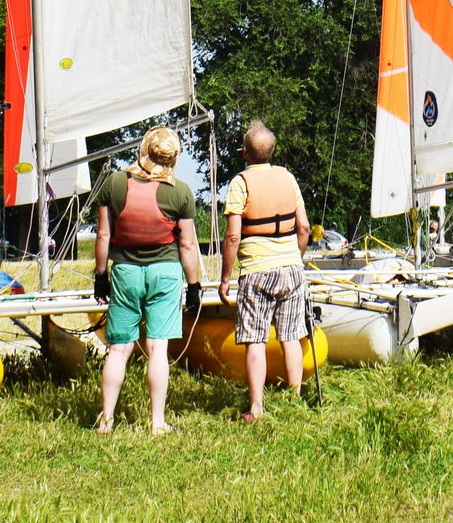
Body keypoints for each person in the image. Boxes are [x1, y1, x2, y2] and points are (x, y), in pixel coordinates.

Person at [91, 125, 203, 433]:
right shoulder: (180, 192)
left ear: (145, 149)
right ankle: (157, 421)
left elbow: (104, 233)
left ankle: (107, 420)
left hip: (125, 271)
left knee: (119, 348)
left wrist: (101, 276)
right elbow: (187, 244)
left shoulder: (114, 183)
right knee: (157, 347)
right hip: (165, 273)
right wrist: (193, 285)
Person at [219, 123, 312, 420]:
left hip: (257, 270)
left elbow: (233, 236)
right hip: (291, 268)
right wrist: (295, 256)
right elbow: (304, 227)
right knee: (291, 335)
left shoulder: (240, 183)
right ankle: (295, 398)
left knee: (255, 340)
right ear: (272, 151)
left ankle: (256, 408)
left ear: (245, 152)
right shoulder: (288, 178)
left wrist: (224, 279)